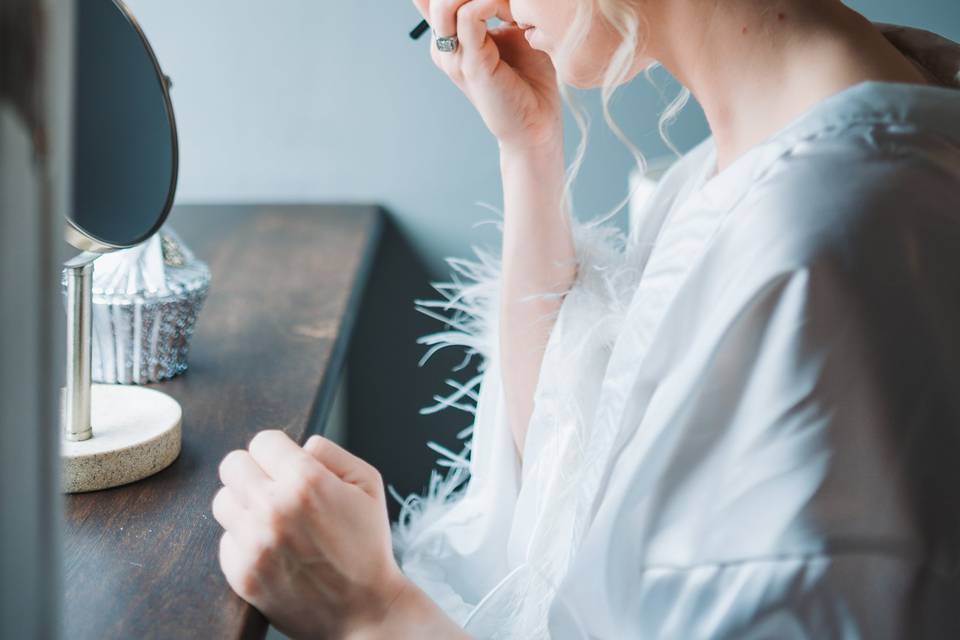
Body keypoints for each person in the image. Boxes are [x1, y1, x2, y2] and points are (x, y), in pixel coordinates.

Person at [211, 0, 960, 637]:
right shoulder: (773, 145)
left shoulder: (826, 243)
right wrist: (528, 149)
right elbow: (580, 473)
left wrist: (371, 612)